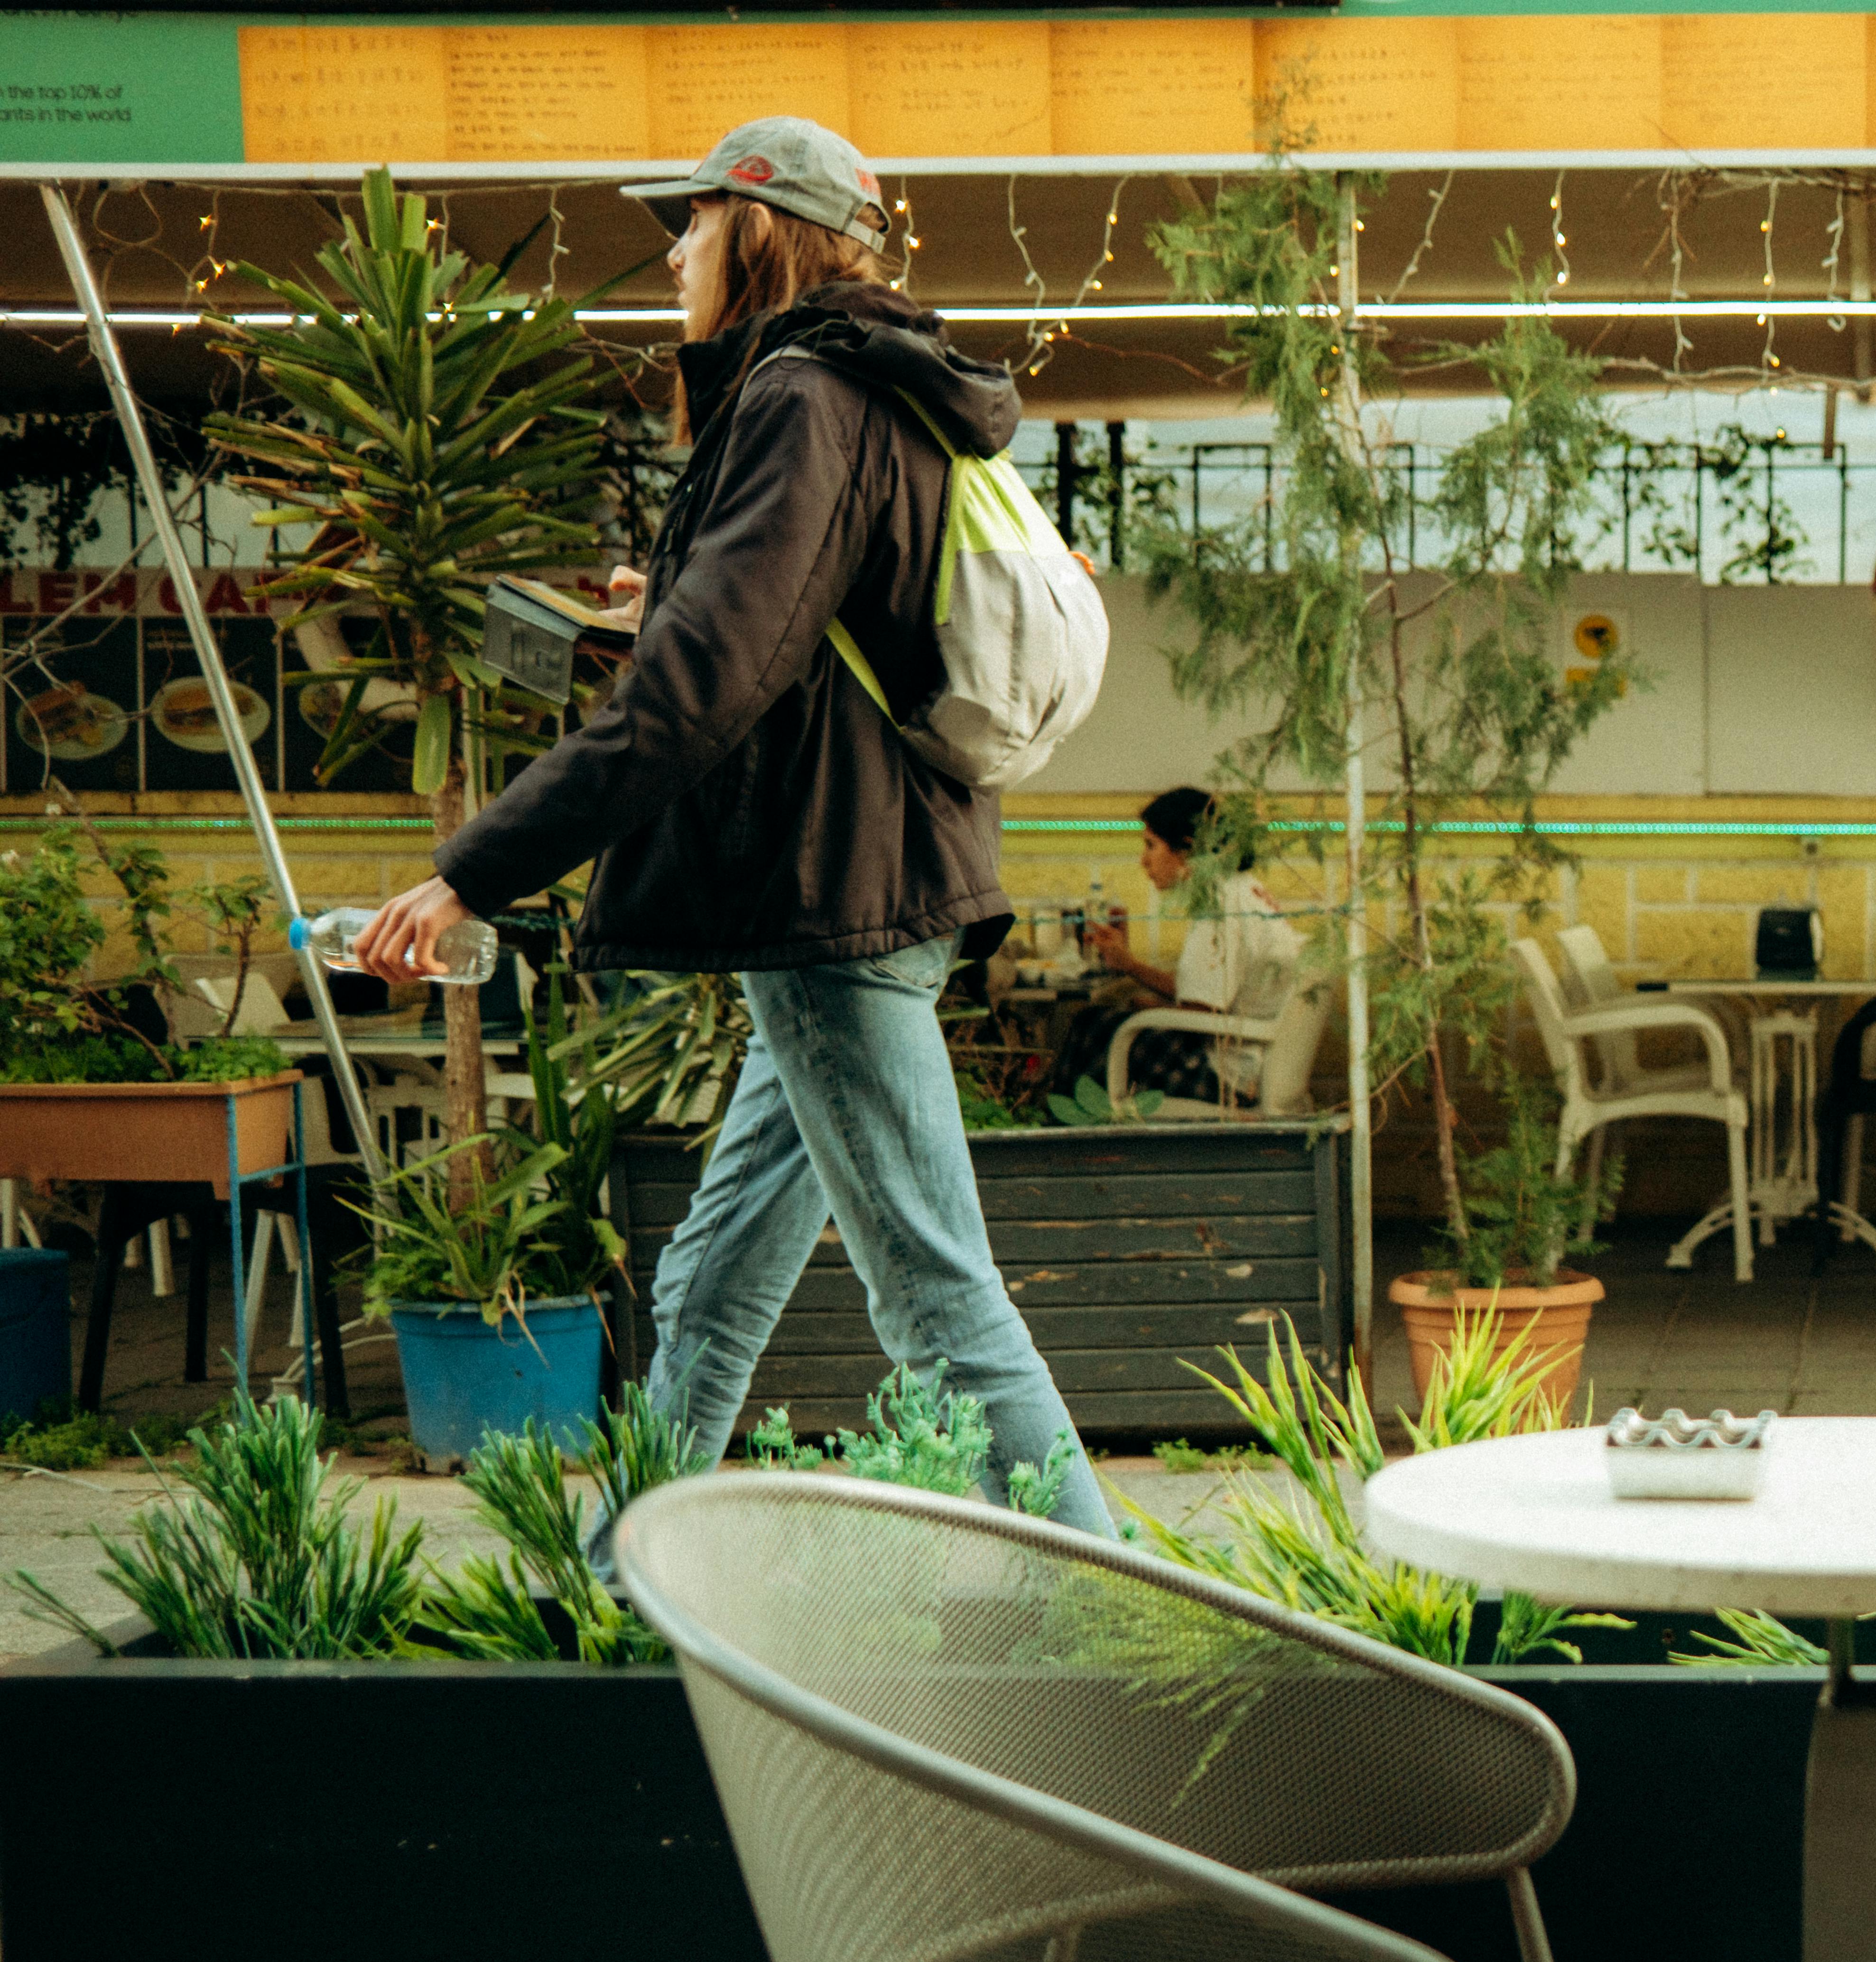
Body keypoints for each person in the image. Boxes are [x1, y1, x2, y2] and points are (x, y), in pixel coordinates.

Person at [355, 116, 1114, 1536]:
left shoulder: (800, 400)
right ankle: (625, 1577)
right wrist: (670, 601)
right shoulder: (882, 391)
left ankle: (1122, 1621)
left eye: (690, 225)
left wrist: (470, 870)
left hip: (833, 899)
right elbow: (797, 630)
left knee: (934, 1296)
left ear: (756, 230)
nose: (674, 253)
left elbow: (700, 689)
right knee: (713, 1279)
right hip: (859, 879)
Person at [1057, 787, 1308, 1107]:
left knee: (1092, 1027)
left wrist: (1149, 1009)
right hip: (1251, 1063)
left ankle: (1064, 1141)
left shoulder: (1219, 904)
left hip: (1224, 1076)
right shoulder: (1241, 888)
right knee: (1105, 1024)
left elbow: (1201, 1013)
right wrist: (1130, 966)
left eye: (1151, 845)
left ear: (1187, 849)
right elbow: (1204, 994)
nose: (1143, 861)